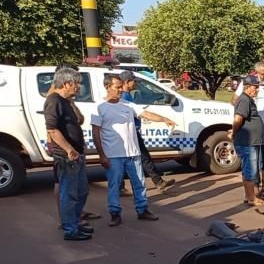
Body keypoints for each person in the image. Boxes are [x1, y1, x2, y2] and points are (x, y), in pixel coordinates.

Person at [92, 75, 159, 226]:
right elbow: (95, 133)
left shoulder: (128, 105)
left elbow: (146, 114)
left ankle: (142, 209)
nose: (121, 90)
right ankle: (115, 213)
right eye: (117, 87)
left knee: (139, 183)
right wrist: (102, 155)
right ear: (107, 87)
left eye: (121, 87)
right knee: (114, 185)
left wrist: (164, 119)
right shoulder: (99, 107)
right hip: (113, 155)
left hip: (133, 154)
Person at [46, 67, 92, 241]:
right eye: (76, 84)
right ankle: (70, 229)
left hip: (76, 154)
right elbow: (52, 129)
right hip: (67, 156)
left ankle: (75, 222)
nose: (78, 87)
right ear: (67, 84)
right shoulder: (54, 101)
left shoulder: (66, 101)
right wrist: (68, 149)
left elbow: (78, 121)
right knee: (69, 193)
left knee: (82, 191)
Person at [118, 71, 177, 191]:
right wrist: (164, 119)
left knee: (142, 158)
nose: (136, 84)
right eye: (134, 81)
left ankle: (157, 181)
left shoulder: (127, 96)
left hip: (132, 133)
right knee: (134, 160)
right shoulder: (124, 98)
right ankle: (122, 187)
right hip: (130, 134)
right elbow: (145, 114)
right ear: (127, 82)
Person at [233, 62, 264, 197]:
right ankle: (255, 187)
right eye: (263, 74)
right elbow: (235, 100)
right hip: (254, 127)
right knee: (255, 159)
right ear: (257, 72)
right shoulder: (248, 84)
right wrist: (245, 113)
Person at [230, 75, 264, 206]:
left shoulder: (248, 100)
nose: (257, 89)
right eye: (255, 87)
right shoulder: (244, 100)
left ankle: (248, 196)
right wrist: (233, 132)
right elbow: (238, 119)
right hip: (247, 142)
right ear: (247, 87)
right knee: (250, 170)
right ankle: (252, 198)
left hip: (252, 141)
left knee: (249, 169)